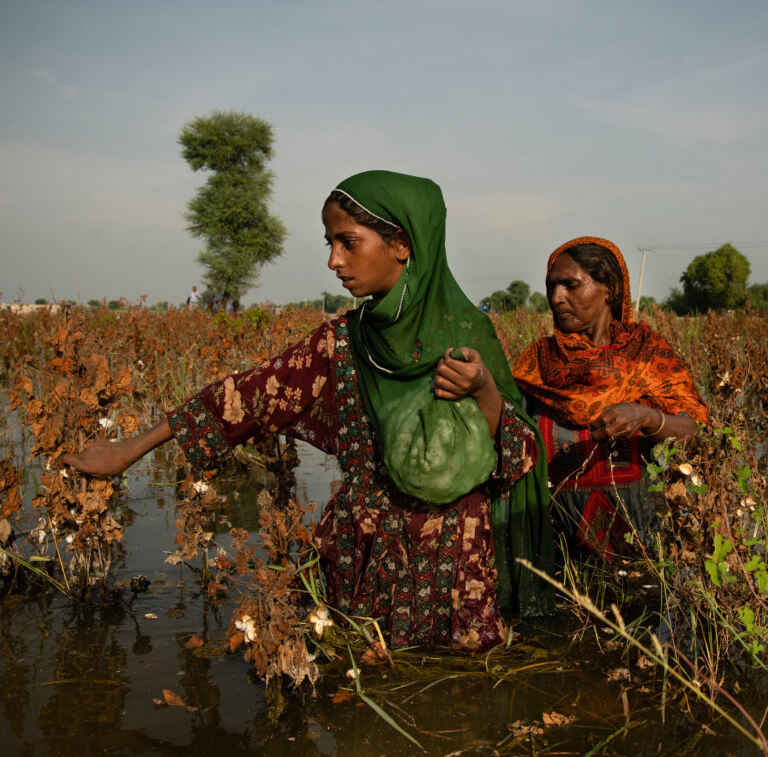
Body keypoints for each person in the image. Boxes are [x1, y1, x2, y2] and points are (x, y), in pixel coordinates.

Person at [60, 170, 555, 650]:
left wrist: (484, 390)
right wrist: (129, 450)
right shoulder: (341, 341)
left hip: (455, 564)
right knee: (358, 666)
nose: (334, 260)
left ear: (402, 244)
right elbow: (246, 395)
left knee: (452, 690)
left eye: (348, 242)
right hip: (366, 552)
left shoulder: (468, 334)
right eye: (329, 244)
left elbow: (519, 453)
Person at [512, 237, 708, 562]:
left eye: (571, 285)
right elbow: (507, 434)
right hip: (557, 547)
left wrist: (647, 417)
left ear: (610, 290)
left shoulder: (646, 353)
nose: (557, 297)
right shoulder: (539, 362)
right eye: (552, 286)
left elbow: (697, 434)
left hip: (643, 544)